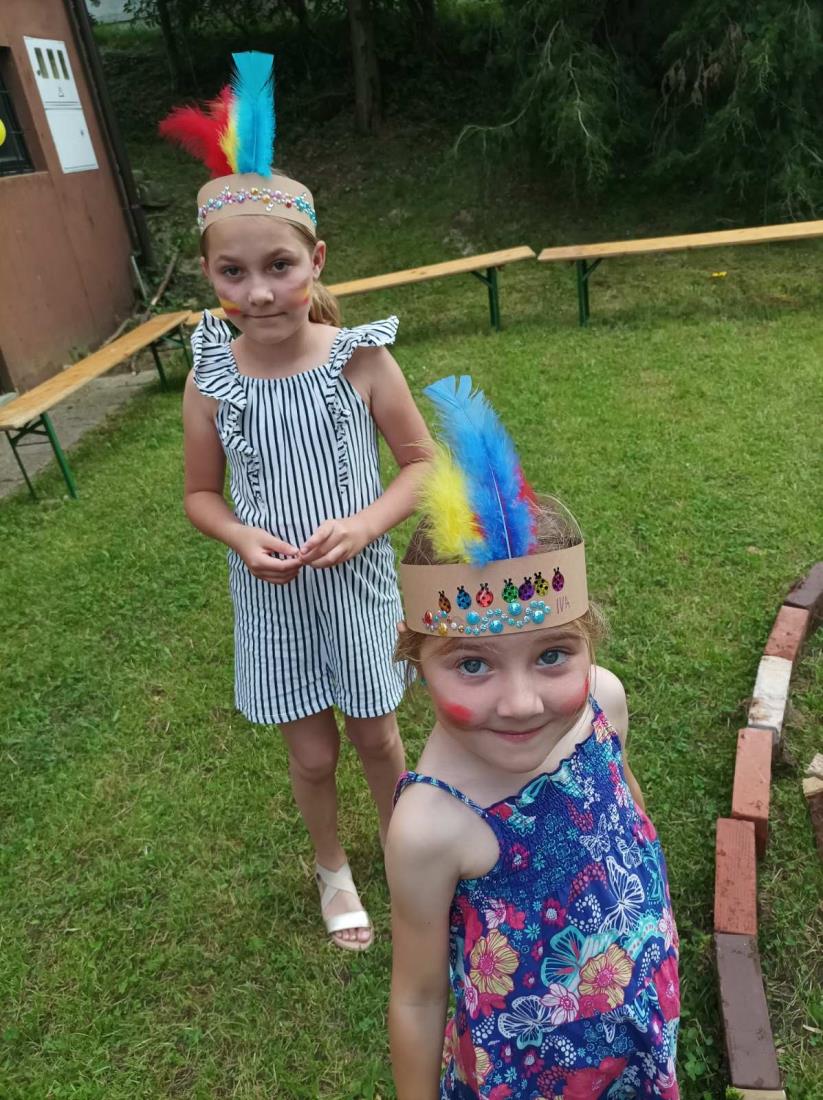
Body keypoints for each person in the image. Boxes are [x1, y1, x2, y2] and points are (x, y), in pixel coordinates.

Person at [160, 52, 431, 951]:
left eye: (279, 265)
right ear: (210, 275)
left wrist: (366, 523)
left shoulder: (360, 359)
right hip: (271, 598)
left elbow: (419, 464)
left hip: (357, 587)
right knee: (312, 753)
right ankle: (331, 868)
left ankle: (404, 850)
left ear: (314, 260)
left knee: (377, 739)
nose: (260, 292)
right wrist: (240, 537)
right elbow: (200, 494)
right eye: (233, 273)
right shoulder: (210, 377)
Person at [386, 378, 679, 1097]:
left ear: (588, 639)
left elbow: (626, 807)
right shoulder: (430, 826)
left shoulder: (603, 702)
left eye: (552, 655)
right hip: (528, 1076)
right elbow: (417, 998)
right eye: (472, 664)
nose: (520, 703)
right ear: (415, 659)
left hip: (638, 1005)